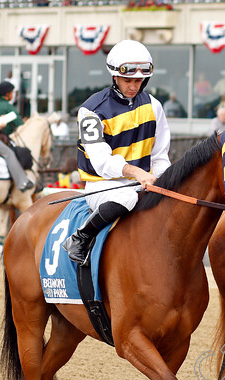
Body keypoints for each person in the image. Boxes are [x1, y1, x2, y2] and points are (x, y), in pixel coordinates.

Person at [63, 39, 171, 265]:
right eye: (128, 80)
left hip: (143, 182)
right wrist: (137, 173)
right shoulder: (91, 111)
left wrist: (164, 182)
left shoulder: (154, 106)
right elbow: (102, 162)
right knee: (127, 196)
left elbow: (160, 156)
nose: (134, 86)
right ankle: (80, 237)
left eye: (139, 80)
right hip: (103, 184)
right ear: (115, 77)